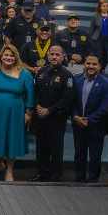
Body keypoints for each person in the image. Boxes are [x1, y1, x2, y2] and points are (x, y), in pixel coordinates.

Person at [0, 44, 35, 182]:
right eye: (6, 55)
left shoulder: (24, 73)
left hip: (15, 113)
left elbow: (30, 96)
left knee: (12, 140)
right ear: (1, 56)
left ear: (16, 57)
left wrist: (28, 113)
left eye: (11, 55)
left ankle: (9, 170)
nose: (8, 58)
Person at [31, 43, 72, 181]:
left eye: (57, 54)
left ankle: (56, 174)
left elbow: (67, 99)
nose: (54, 57)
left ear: (63, 57)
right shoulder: (41, 72)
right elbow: (35, 92)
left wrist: (49, 110)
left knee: (56, 147)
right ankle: (42, 173)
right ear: (48, 56)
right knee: (41, 146)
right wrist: (37, 106)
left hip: (56, 118)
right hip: (40, 117)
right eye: (52, 54)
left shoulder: (67, 75)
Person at [71, 54, 108, 182]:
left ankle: (93, 180)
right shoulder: (76, 79)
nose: (91, 66)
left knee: (95, 155)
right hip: (78, 124)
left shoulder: (107, 83)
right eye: (88, 63)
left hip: (96, 126)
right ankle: (79, 178)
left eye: (94, 64)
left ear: (99, 66)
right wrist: (75, 116)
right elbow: (71, 101)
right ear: (84, 64)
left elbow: (106, 107)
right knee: (79, 153)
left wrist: (88, 120)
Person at [89, 0, 108, 67]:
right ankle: (100, 69)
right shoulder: (95, 16)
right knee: (99, 55)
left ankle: (103, 67)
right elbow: (91, 29)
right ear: (100, 7)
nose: (105, 8)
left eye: (107, 6)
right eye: (103, 6)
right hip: (98, 38)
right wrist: (90, 39)